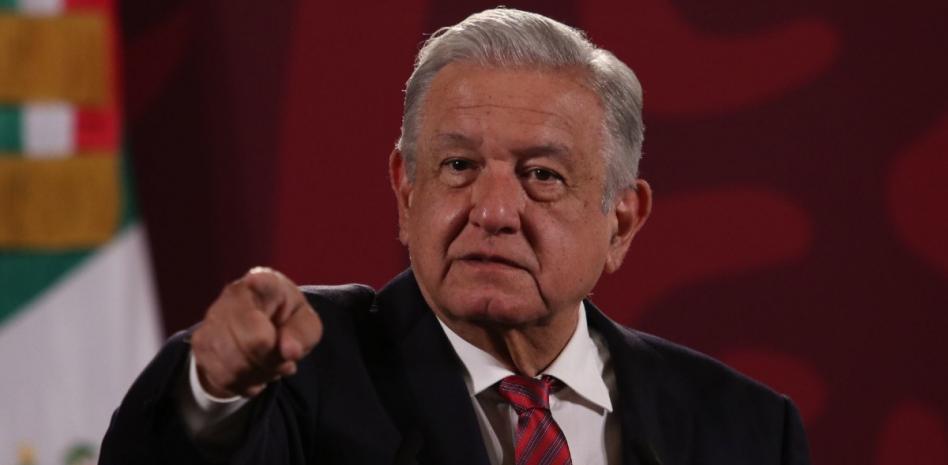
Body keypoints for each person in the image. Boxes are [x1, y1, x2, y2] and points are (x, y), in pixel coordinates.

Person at [101, 7, 811, 465]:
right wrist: (212, 392)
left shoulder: (745, 431)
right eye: (459, 166)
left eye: (541, 175)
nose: (492, 211)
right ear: (407, 191)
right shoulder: (299, 380)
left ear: (621, 220)